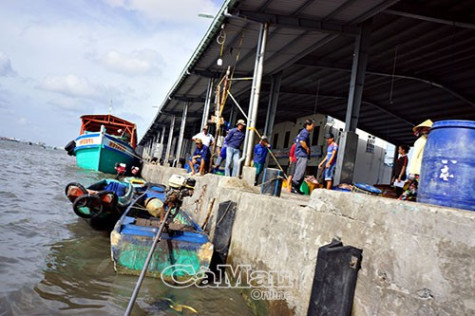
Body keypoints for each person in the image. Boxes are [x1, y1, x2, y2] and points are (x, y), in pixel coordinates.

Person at [400, 119, 433, 201]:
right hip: (418, 171)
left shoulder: (428, 141)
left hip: (424, 170)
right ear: (422, 130)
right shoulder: (420, 141)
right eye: (425, 129)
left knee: (413, 190)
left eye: (428, 129)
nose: (427, 131)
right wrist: (412, 172)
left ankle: (400, 201)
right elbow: (414, 157)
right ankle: (400, 201)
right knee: (414, 190)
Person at [291, 119, 314, 194]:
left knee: (301, 172)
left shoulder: (303, 132)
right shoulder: (305, 132)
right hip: (302, 154)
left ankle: (297, 188)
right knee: (299, 171)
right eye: (312, 126)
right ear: (308, 125)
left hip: (301, 154)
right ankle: (294, 187)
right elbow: (302, 142)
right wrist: (307, 148)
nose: (313, 127)